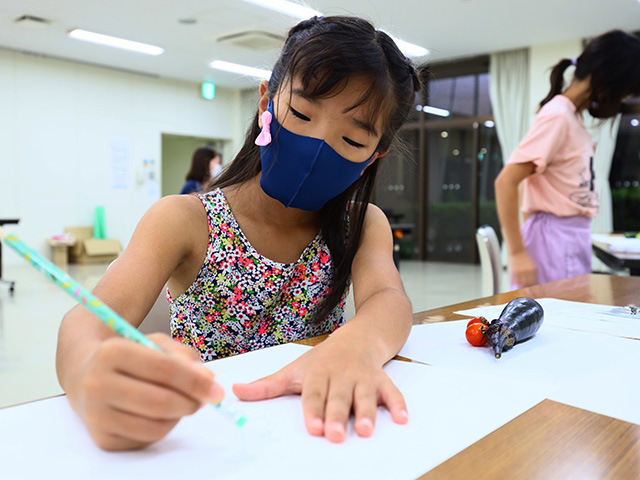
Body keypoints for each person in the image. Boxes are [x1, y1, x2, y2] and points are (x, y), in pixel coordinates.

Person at [56, 15, 421, 451]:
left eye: (352, 141)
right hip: (206, 437)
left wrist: (359, 345)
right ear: (266, 101)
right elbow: (88, 321)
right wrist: (89, 372)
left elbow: (388, 299)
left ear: (373, 155)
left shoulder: (361, 224)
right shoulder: (185, 219)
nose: (317, 145)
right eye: (301, 113)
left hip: (313, 435)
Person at [495, 30, 640, 290]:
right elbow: (506, 181)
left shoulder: (571, 116)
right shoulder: (558, 115)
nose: (624, 99)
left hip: (567, 237)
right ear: (608, 80)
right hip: (554, 239)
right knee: (557, 318)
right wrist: (517, 252)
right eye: (625, 91)